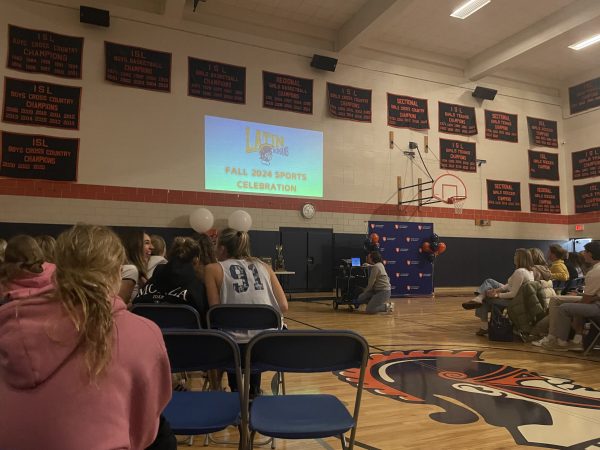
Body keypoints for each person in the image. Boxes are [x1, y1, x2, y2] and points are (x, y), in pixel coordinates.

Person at [0, 224, 174, 449]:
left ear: (55, 270)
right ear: (115, 273)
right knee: (162, 433)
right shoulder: (141, 331)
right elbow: (143, 429)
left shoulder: (9, 320)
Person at [204, 228, 288, 397]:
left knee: (230, 333)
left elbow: (215, 312)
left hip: (233, 349)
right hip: (266, 347)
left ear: (222, 249)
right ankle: (254, 391)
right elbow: (283, 306)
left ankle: (236, 392)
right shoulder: (265, 266)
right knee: (256, 335)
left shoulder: (212, 269)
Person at [535, 241, 600, 351]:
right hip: (595, 300)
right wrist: (579, 296)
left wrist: (576, 304)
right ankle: (556, 337)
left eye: (585, 251)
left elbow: (586, 300)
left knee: (564, 308)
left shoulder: (595, 272)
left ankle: (561, 342)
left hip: (597, 306)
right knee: (556, 299)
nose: (583, 254)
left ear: (591, 253)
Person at [134, 236, 212, 326]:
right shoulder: (198, 288)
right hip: (185, 339)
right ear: (196, 260)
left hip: (148, 337)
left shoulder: (152, 282)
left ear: (170, 256)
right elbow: (205, 323)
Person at [462, 248, 534, 336]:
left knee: (485, 299)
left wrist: (497, 295)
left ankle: (484, 325)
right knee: (489, 282)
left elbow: (513, 294)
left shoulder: (519, 272)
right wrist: (496, 290)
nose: (514, 257)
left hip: (513, 301)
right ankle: (479, 298)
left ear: (521, 258)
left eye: (516, 255)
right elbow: (509, 285)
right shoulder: (529, 272)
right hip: (518, 299)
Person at [119, 229, 153, 303]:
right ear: (135, 246)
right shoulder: (130, 270)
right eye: (147, 243)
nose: (152, 247)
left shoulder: (139, 273)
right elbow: (120, 306)